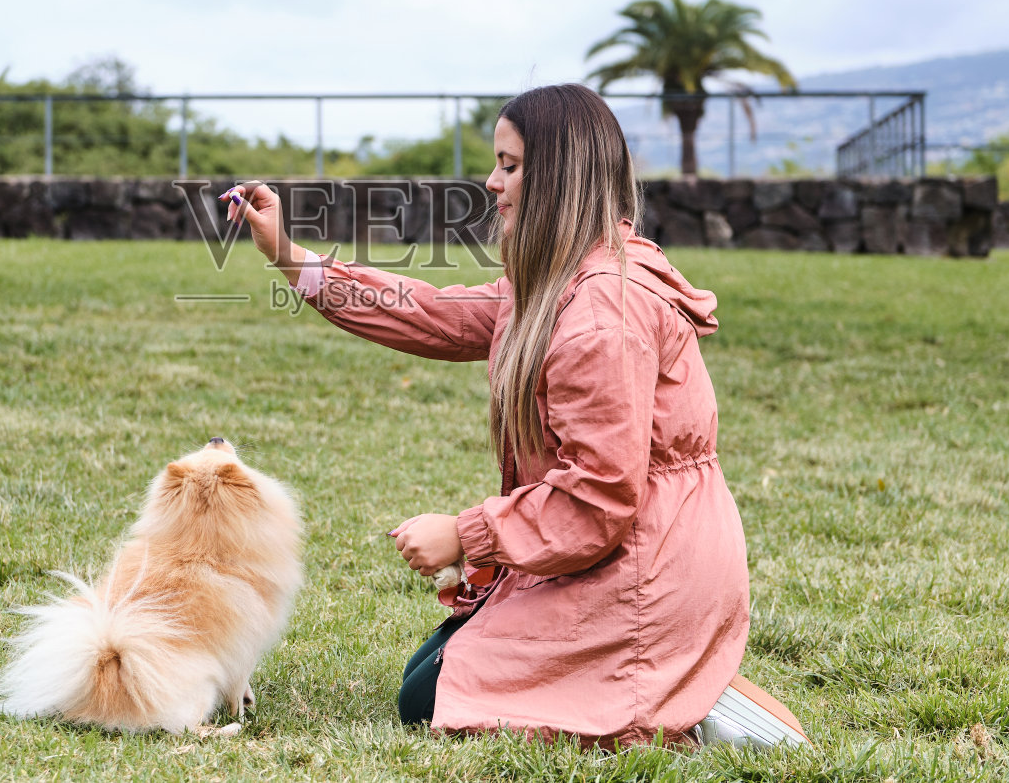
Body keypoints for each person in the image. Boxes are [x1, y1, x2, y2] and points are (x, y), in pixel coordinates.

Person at [221, 83, 805, 748]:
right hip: (623, 553)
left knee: (429, 695)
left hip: (646, 569)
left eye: (511, 165)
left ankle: (683, 699)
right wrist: (290, 256)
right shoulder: (558, 281)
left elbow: (600, 497)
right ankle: (677, 681)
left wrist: (466, 535)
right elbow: (431, 311)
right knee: (429, 672)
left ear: (560, 175)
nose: (492, 182)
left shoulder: (599, 314)